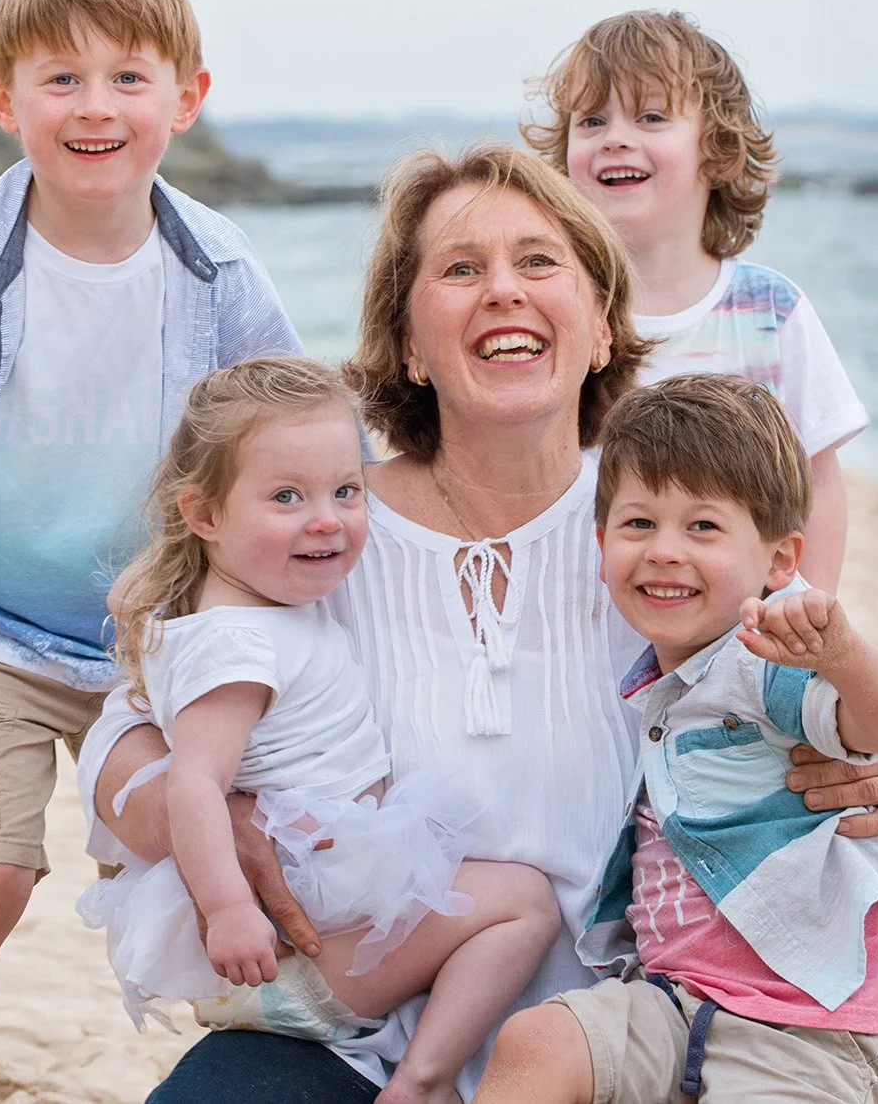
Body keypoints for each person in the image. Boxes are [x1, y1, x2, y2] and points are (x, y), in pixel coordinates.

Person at [76, 144, 878, 1104]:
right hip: (355, 1040)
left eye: (540, 262)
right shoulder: (321, 530)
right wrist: (208, 811)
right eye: (460, 268)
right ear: (411, 346)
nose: (502, 291)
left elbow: (816, 689)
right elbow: (121, 740)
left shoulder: (666, 538)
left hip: (632, 1039)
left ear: (601, 327)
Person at [0, 0, 300, 1104]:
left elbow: (289, 437)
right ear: (1, 98)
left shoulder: (220, 272)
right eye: (59, 78)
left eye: (128, 77)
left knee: (221, 862)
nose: (95, 106)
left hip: (157, 644)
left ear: (187, 98)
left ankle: (278, 1069)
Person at [81, 354, 559, 1104]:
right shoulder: (239, 645)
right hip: (320, 909)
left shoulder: (242, 602)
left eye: (346, 490)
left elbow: (128, 596)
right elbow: (195, 780)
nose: (327, 520)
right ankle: (425, 1079)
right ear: (203, 515)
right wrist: (230, 908)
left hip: (333, 890)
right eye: (286, 496)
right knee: (525, 902)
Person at [475, 374, 878, 1104]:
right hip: (673, 1000)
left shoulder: (760, 657)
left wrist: (842, 657)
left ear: (778, 560)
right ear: (602, 539)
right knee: (536, 1041)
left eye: (702, 527)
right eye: (640, 525)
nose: (664, 551)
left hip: (803, 1021)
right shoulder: (651, 679)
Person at [522, 9, 867, 592]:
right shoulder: (554, 307)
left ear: (716, 150)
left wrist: (808, 609)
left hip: (731, 638)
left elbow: (817, 482)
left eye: (651, 116)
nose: (616, 138)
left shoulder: (771, 310)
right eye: (592, 121)